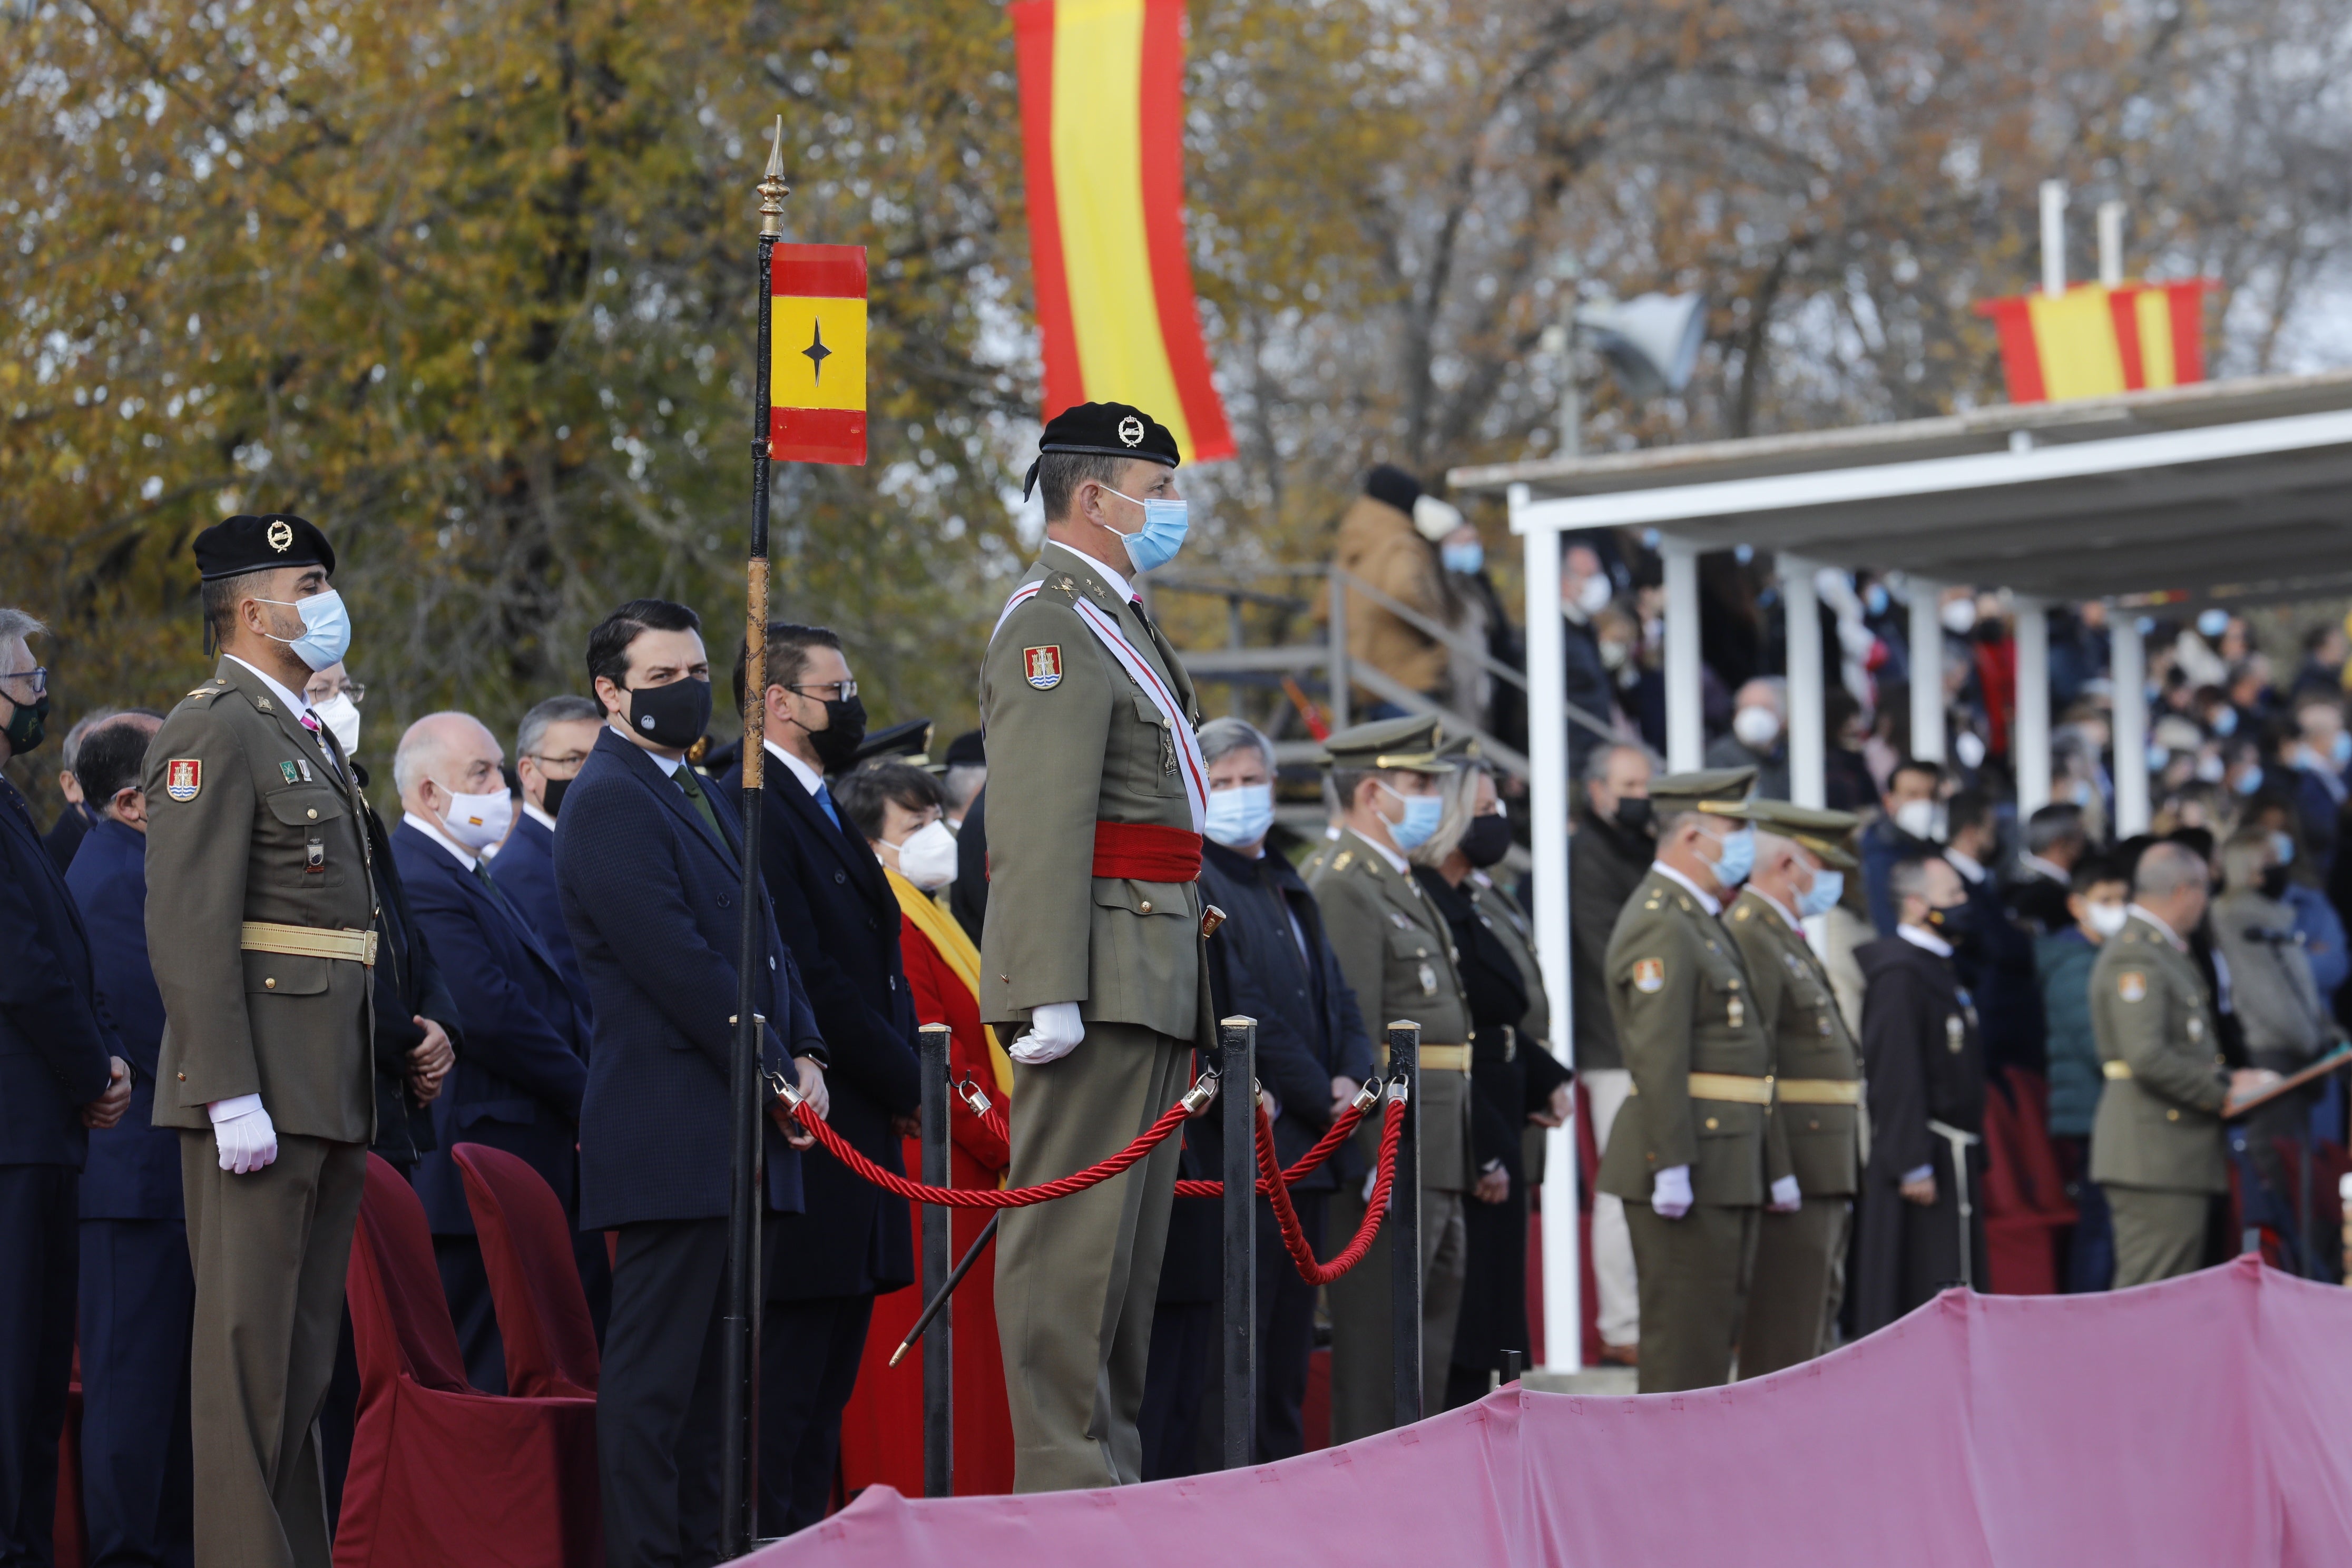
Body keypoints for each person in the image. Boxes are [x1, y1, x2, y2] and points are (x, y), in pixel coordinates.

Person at [556, 597, 829, 1567]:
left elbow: (764, 944)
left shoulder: (700, 788)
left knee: (724, 1382)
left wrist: (805, 1052)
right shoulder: (608, 799)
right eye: (661, 676)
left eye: (696, 671)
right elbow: (676, 963)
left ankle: (714, 1547)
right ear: (610, 691)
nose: (686, 690)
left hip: (737, 1117)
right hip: (672, 1124)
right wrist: (770, 1068)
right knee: (657, 1379)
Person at [978, 402, 1211, 1493]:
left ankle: (1105, 1460)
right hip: (1101, 972)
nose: (1171, 510)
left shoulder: (1116, 618)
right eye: (1157, 492)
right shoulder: (1051, 625)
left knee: (1126, 1247)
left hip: (1151, 963)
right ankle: (1060, 1469)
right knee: (1072, 1236)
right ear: (1094, 498)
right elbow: (1038, 820)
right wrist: (1044, 989)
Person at [139, 515, 379, 1568]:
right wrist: (226, 1087)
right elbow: (189, 921)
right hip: (261, 1087)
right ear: (253, 609)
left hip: (325, 1078)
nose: (326, 604)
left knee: (302, 1360)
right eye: (308, 582)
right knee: (244, 1364)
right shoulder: (213, 726)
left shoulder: (301, 730)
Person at [721, 621, 920, 1534]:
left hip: (858, 1123)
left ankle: (807, 1537)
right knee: (790, 1387)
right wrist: (907, 1076)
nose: (850, 708)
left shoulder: (819, 799)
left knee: (827, 1379)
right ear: (777, 703)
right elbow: (809, 972)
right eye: (833, 693)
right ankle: (776, 1542)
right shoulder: (754, 804)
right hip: (817, 1120)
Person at [1187, 718, 1374, 1459]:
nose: (1239, 796)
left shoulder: (1289, 878)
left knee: (1291, 1352)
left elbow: (1338, 999)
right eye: (1223, 784)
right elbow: (1245, 1004)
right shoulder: (1201, 881)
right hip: (1263, 1148)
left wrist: (1354, 1075)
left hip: (1312, 1150)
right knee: (1243, 1350)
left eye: (1249, 780)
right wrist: (1317, 1091)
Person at [830, 760, 1016, 1498]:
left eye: (939, 818)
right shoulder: (897, 919)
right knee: (935, 1378)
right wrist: (1007, 1140)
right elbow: (938, 1054)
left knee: (974, 1379)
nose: (938, 836)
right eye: (915, 826)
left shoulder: (928, 910)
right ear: (872, 843)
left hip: (964, 1174)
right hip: (930, 1177)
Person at [390, 713, 591, 1394]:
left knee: (521, 1365)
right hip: (473, 1167)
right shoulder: (420, 875)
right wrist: (587, 1094)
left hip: (515, 1162)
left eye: (499, 770)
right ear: (427, 794)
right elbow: (492, 1012)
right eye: (479, 773)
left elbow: (550, 998)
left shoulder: (466, 870)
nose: (498, 786)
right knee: (481, 1372)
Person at [0, 609, 131, 1568]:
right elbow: (23, 964)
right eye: (26, 682)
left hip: (38, 1128)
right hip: (15, 1130)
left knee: (39, 1378)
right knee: (14, 1378)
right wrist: (94, 1070)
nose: (41, 696)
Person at [1592, 767, 1790, 1394]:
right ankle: (1662, 1482)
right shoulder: (1662, 920)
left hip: (1723, 1156)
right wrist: (1670, 1160)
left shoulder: (1698, 918)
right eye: (1734, 828)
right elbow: (1658, 1055)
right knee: (1684, 1345)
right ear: (1691, 837)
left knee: (1710, 1332)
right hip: (1688, 1156)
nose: (1746, 842)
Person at [1308, 714, 1473, 1434]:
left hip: (1433, 1143)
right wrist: (1372, 1146)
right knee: (1383, 1355)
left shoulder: (1394, 879)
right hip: (1393, 1148)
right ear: (1373, 792)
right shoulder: (1346, 883)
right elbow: (1358, 1034)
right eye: (1420, 784)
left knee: (1425, 1342)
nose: (1436, 798)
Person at [63, 713, 198, 1565]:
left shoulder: (147, 868)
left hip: (167, 1176)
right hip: (135, 1183)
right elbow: (161, 1029)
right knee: (132, 1391)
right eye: (187, 775)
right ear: (133, 801)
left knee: (172, 1393)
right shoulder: (115, 882)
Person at [1410, 742, 1570, 1407]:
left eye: (1497, 808)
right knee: (1469, 1312)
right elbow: (1460, 1020)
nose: (1497, 821)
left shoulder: (1474, 897)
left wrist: (1546, 1075)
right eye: (1483, 810)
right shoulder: (1426, 899)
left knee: (1498, 1304)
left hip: (1502, 1103)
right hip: (1469, 1115)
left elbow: (1505, 1009)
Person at [2091, 843, 2284, 1287]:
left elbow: (2183, 1049)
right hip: (2155, 1155)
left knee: (2173, 1292)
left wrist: (2232, 1077)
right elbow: (2146, 1056)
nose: (2206, 902)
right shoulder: (2136, 954)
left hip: (2173, 1152)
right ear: (2185, 891)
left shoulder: (2159, 948)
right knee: (2152, 1292)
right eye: (2205, 890)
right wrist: (2223, 1092)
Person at [1729, 802, 1865, 1377]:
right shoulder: (1752, 934)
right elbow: (1757, 1062)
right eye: (1821, 866)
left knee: (1815, 1314)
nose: (1830, 883)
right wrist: (1777, 1163)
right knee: (1786, 1326)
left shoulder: (1783, 934)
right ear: (1788, 864)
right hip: (1797, 1153)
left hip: (1824, 1155)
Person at [1852, 856, 1987, 1334]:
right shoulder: (1900, 974)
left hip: (1953, 1150)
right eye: (1951, 896)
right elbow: (1896, 1071)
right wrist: (1912, 1160)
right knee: (1917, 1289)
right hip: (1925, 1154)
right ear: (1916, 905)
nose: (1962, 905)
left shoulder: (1939, 967)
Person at [2211, 826, 2338, 1262]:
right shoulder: (2236, 917)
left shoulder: (2274, 916)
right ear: (2249, 868)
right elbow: (2264, 996)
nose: (2281, 870)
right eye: (2270, 861)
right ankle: (2288, 1265)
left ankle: (2304, 1263)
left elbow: (2299, 989)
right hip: (2276, 1054)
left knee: (2301, 1174)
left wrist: (2327, 1036)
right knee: (2279, 1173)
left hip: (2303, 1052)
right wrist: (2310, 1044)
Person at [1571, 741, 1654, 1366]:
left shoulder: (1637, 849)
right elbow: (1610, 957)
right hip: (1615, 1047)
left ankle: (1652, 1316)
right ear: (1596, 790)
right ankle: (1623, 1325)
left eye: (1644, 785)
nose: (1637, 797)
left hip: (1650, 1045)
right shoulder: (1586, 858)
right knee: (1622, 1192)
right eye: (1627, 785)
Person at [2037, 857, 2129, 1292]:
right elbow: (2098, 1045)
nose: (2117, 908)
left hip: (2102, 1109)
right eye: (2105, 900)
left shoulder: (2103, 957)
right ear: (2077, 905)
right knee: (2100, 1224)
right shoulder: (2073, 964)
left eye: (2122, 899)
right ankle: (2087, 1306)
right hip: (2093, 1112)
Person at [1322, 464, 1456, 717]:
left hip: (1366, 678)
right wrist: (1433, 628)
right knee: (1416, 754)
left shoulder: (1352, 543)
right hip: (1406, 674)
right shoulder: (1400, 542)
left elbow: (1323, 607)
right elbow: (1404, 591)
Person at [494, 693, 603, 1001]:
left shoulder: (610, 849)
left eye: (600, 758)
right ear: (529, 773)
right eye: (573, 760)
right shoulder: (516, 874)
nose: (592, 774)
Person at [1943, 788, 2046, 1075]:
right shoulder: (1954, 881)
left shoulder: (1978, 881)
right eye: (1992, 828)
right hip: (1991, 1032)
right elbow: (1992, 946)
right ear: (1971, 832)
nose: (1998, 836)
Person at [1863, 757, 1942, 935]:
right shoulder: (1880, 857)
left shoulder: (1935, 847)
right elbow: (1888, 927)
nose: (1925, 804)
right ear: (1889, 802)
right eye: (1913, 795)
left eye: (1932, 795)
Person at [44, 705, 125, 873]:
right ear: (71, 785)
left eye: (126, 766)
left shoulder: (151, 850)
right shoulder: (46, 865)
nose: (116, 780)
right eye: (98, 766)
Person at [2009, 801, 2089, 935]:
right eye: (2080, 835)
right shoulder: (2048, 896)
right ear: (2060, 843)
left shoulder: (2012, 885)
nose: (2086, 841)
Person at [1706, 678, 1791, 802]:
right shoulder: (1720, 757)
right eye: (1746, 708)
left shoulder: (1796, 758)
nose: (1754, 717)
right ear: (1735, 715)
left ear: (1784, 717)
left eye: (1764, 708)